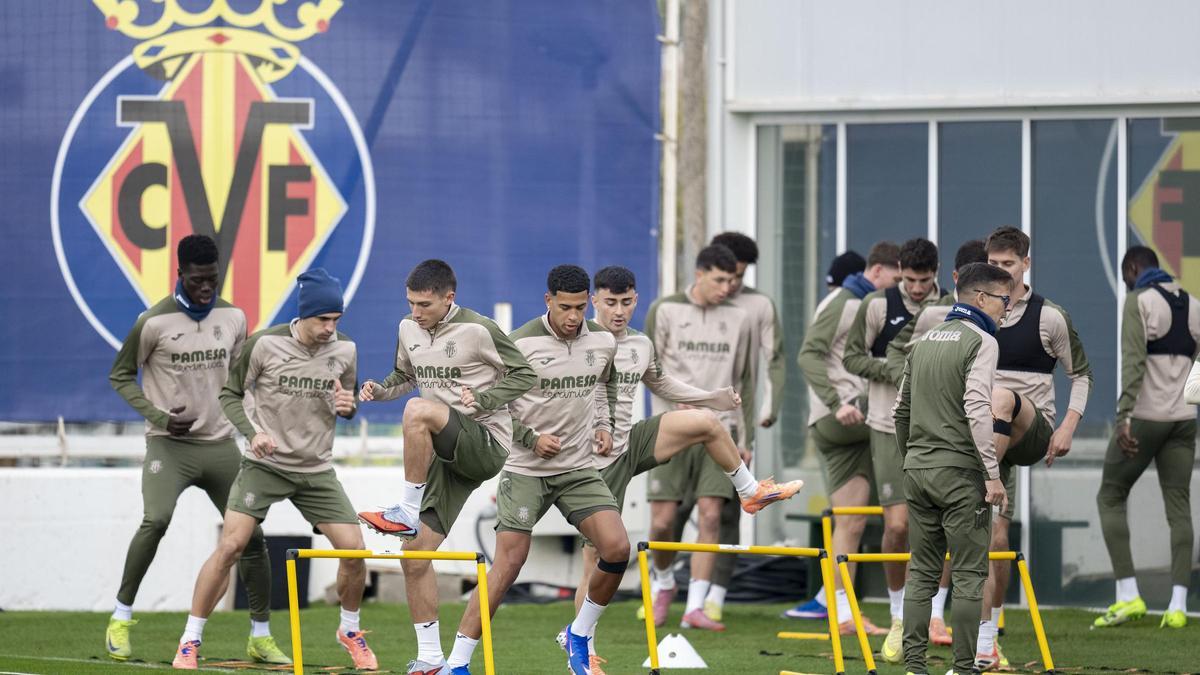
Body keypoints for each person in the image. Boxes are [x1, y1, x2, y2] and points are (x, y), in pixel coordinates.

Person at [565, 265, 802, 667]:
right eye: (609, 303)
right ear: (594, 302)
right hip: (589, 461)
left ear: (636, 299)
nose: (618, 311)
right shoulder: (576, 341)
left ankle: (750, 492)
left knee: (706, 423)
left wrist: (712, 398)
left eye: (626, 302)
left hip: (631, 442)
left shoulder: (639, 343)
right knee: (600, 558)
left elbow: (662, 383)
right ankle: (583, 648)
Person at [172, 269, 375, 670]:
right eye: (323, 320)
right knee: (231, 546)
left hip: (316, 470)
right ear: (304, 315)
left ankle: (349, 630)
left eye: (336, 320)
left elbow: (346, 401)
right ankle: (190, 639)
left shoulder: (346, 349)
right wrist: (252, 433)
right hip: (264, 464)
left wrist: (349, 408)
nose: (330, 328)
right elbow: (229, 395)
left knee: (354, 549)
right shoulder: (263, 344)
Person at [105, 234, 284, 665]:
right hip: (170, 446)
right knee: (156, 520)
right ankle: (120, 617)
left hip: (221, 445)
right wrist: (161, 417)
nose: (206, 287)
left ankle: (260, 636)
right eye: (198, 279)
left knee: (251, 538)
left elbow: (243, 380)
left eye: (213, 278)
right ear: (180, 274)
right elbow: (121, 376)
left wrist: (255, 427)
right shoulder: (152, 323)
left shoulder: (235, 317)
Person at [355, 259, 536, 673]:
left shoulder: (479, 329)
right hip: (446, 455)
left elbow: (524, 374)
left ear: (448, 298)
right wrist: (380, 391)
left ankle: (404, 509)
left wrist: (486, 400)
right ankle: (431, 659)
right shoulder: (407, 328)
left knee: (419, 410)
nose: (416, 312)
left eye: (424, 304)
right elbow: (404, 376)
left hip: (486, 443)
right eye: (411, 304)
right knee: (413, 557)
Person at [445, 265, 625, 675]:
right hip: (527, 468)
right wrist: (530, 438)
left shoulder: (602, 340)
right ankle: (456, 663)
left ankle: (578, 634)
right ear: (548, 301)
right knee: (509, 564)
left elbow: (604, 383)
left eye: (581, 307)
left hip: (579, 468)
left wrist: (603, 424)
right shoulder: (520, 343)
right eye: (565, 307)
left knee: (616, 549)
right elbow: (494, 403)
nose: (574, 317)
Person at [976, 226, 1092, 669]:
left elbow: (1081, 374)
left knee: (1002, 398)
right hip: (984, 433)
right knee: (985, 536)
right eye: (994, 263)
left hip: (1032, 430)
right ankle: (968, 634)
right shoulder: (973, 311)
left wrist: (1067, 427)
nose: (1000, 271)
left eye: (1008, 264)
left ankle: (987, 635)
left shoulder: (1049, 317)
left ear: (1026, 264)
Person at [894, 261, 1012, 675]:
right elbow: (978, 408)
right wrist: (993, 475)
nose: (1007, 309)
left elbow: (900, 411)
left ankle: (914, 667)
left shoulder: (924, 340)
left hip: (918, 470)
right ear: (981, 298)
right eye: (1004, 300)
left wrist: (910, 459)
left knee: (922, 572)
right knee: (968, 575)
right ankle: (964, 669)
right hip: (960, 475)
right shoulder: (982, 341)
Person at [786, 241, 900, 635]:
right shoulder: (851, 302)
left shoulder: (850, 299)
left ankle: (840, 612)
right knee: (918, 496)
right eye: (899, 279)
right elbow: (808, 355)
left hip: (836, 421)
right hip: (849, 412)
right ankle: (924, 610)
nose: (904, 288)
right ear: (878, 271)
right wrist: (837, 402)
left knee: (849, 521)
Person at [644, 244, 755, 632]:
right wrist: (672, 404)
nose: (728, 287)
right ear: (699, 274)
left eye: (733, 280)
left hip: (720, 428)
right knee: (661, 522)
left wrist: (747, 436)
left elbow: (746, 379)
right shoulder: (665, 309)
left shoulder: (740, 318)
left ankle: (696, 606)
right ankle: (663, 584)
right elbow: (648, 368)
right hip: (670, 427)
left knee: (711, 514)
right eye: (721, 279)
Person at [883, 238, 988, 645]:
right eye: (909, 279)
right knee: (910, 537)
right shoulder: (934, 318)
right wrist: (913, 386)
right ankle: (907, 624)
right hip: (934, 453)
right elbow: (894, 358)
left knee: (974, 549)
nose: (916, 287)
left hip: (963, 451)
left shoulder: (998, 327)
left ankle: (965, 635)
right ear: (962, 281)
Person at [841, 237, 942, 662]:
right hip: (886, 424)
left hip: (939, 429)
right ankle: (900, 615)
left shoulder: (951, 306)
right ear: (900, 269)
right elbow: (851, 358)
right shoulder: (878, 305)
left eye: (925, 280)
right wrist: (895, 369)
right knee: (898, 526)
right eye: (911, 279)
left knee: (939, 525)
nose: (917, 288)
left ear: (937, 276)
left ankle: (936, 614)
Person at [1095, 246, 1199, 630]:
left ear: (1134, 269)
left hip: (1144, 419)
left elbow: (1134, 363)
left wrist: (1123, 417)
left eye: (1126, 279)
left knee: (1110, 495)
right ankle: (1177, 607)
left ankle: (1128, 597)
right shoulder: (1194, 303)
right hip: (1184, 420)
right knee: (1179, 509)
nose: (1126, 286)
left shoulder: (1139, 301)